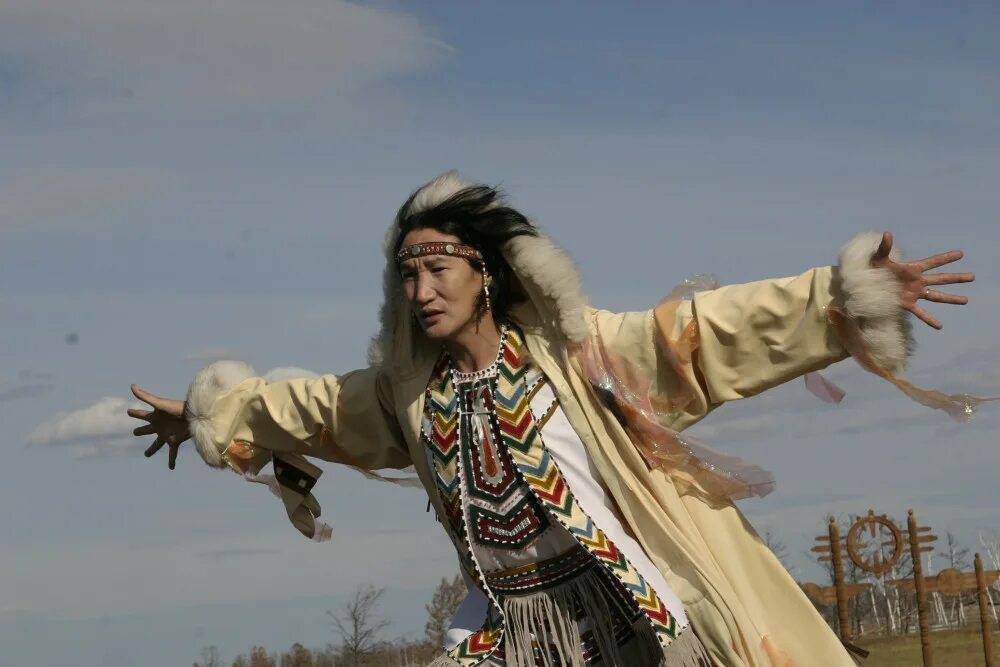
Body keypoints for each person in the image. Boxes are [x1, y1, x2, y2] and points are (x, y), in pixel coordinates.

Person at [129, 171, 976, 666]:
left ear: (486, 272)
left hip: (631, 619)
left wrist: (837, 297)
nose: (421, 291)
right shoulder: (407, 394)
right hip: (513, 634)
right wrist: (214, 411)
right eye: (407, 275)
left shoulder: (577, 355)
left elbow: (699, 336)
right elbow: (306, 408)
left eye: (438, 267)